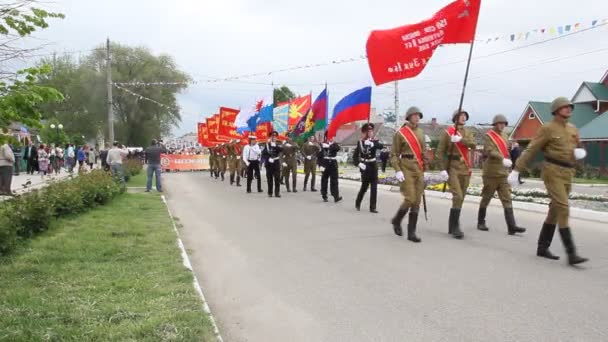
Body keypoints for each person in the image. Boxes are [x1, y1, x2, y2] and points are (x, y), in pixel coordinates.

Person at [509, 97, 588, 266]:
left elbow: (579, 146)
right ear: (556, 110)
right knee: (563, 207)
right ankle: (572, 253)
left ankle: (542, 247)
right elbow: (531, 149)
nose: (568, 109)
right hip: (552, 172)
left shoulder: (573, 129)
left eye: (570, 107)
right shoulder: (547, 128)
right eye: (565, 107)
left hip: (568, 172)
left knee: (555, 210)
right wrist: (517, 170)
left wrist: (581, 152)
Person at [476, 114, 526, 235]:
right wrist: (501, 158)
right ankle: (481, 221)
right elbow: (490, 150)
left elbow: (506, 150)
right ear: (495, 124)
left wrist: (513, 150)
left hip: (503, 173)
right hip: (491, 173)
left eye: (504, 123)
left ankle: (511, 226)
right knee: (486, 197)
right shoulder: (489, 136)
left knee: (507, 198)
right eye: (500, 123)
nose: (502, 125)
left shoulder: (505, 136)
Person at [436, 109, 477, 239]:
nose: (463, 118)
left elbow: (473, 144)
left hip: (465, 167)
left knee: (461, 197)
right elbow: (440, 152)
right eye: (461, 115)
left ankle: (452, 225)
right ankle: (455, 227)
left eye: (465, 116)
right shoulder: (447, 132)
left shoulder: (468, 132)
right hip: (452, 167)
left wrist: (460, 140)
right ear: (455, 117)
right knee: (458, 195)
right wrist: (442, 169)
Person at [390, 107, 427, 242]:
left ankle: (411, 233)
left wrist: (427, 164)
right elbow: (393, 154)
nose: (417, 118)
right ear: (409, 117)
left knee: (417, 201)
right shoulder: (401, 134)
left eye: (419, 115)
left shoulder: (421, 133)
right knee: (410, 198)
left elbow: (423, 152)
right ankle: (397, 220)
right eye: (415, 115)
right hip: (406, 167)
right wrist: (397, 170)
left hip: (418, 168)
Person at [353, 122, 383, 213]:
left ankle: (372, 207)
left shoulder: (374, 141)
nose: (370, 133)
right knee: (364, 187)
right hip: (365, 167)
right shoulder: (361, 142)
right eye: (368, 131)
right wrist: (358, 164)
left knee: (374, 188)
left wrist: (372, 144)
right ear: (364, 132)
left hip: (373, 166)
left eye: (371, 131)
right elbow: (355, 156)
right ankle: (358, 202)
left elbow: (381, 146)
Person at [319, 132, 342, 203]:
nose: (332, 138)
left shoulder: (334, 144)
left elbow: (338, 148)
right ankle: (324, 195)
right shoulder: (322, 145)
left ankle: (336, 196)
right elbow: (319, 156)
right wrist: (320, 165)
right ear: (326, 137)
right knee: (324, 181)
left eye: (332, 137)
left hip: (333, 164)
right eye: (330, 137)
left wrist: (329, 146)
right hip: (325, 164)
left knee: (335, 181)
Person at [262, 131, 283, 198]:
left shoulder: (278, 143)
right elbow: (264, 154)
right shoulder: (267, 145)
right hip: (269, 164)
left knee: (277, 178)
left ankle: (277, 193)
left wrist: (275, 146)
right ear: (270, 137)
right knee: (269, 179)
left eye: (275, 136)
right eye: (273, 136)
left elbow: (281, 150)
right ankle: (270, 193)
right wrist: (268, 158)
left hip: (276, 162)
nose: (274, 137)